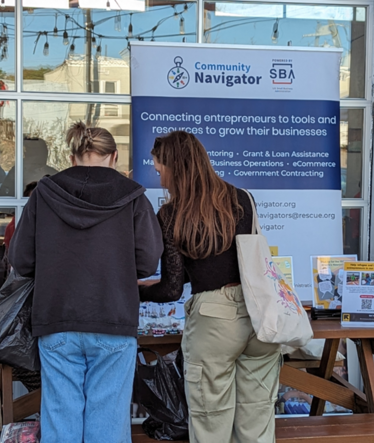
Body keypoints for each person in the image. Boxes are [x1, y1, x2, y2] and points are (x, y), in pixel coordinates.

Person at [9, 121, 163, 443]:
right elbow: (148, 262)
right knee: (107, 421)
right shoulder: (133, 197)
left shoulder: (44, 193)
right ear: (115, 156)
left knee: (60, 418)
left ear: (72, 155)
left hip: (56, 319)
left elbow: (21, 260)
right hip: (114, 318)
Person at [139, 131, 282, 443]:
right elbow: (234, 261)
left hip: (215, 320)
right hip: (260, 316)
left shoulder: (171, 214)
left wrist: (138, 290)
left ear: (174, 166)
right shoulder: (241, 198)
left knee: (210, 424)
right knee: (257, 419)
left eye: (159, 166)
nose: (157, 172)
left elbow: (171, 290)